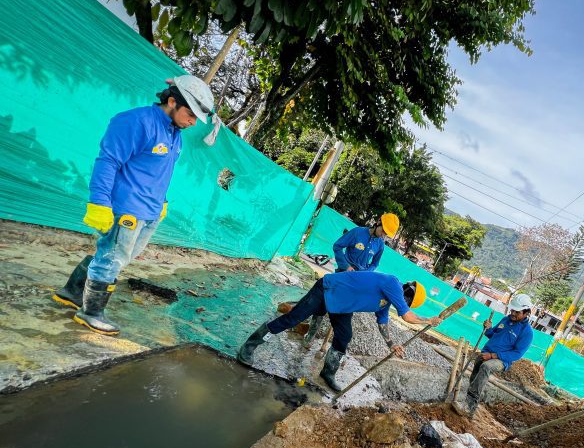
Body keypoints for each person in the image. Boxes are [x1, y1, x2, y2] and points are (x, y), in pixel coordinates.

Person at [52, 76, 215, 335]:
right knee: (112, 259)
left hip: (149, 212)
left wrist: (162, 203)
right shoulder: (136, 121)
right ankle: (91, 312)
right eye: (190, 114)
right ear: (172, 101)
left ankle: (72, 291)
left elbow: (159, 172)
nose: (193, 122)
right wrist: (99, 203)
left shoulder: (176, 134)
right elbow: (107, 162)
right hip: (125, 209)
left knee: (116, 257)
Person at [237, 272, 440, 391]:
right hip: (327, 289)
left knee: (344, 336)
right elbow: (408, 317)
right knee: (293, 319)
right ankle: (249, 346)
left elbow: (382, 324)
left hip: (341, 306)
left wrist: (391, 344)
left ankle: (328, 372)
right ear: (407, 293)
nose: (403, 303)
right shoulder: (392, 283)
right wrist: (427, 320)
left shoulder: (385, 303)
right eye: (407, 301)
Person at [453, 293, 534, 418]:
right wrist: (488, 328)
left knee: (486, 367)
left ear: (526, 313)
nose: (513, 313)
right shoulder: (506, 320)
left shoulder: (527, 332)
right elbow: (493, 334)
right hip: (487, 353)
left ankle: (469, 406)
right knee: (476, 372)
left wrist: (493, 356)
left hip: (501, 360)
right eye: (512, 310)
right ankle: (468, 401)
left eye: (517, 312)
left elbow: (517, 354)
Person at [332, 213, 399, 273]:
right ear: (379, 222)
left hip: (360, 277)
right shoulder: (357, 232)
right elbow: (337, 246)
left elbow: (375, 263)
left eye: (386, 234)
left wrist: (366, 272)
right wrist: (346, 266)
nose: (383, 235)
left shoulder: (380, 245)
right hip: (344, 272)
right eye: (383, 231)